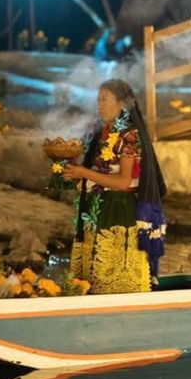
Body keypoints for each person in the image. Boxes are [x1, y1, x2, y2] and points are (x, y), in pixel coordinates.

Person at [63, 79, 167, 293]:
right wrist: (74, 174)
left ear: (122, 103)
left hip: (119, 210)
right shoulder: (101, 134)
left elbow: (124, 181)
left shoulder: (129, 136)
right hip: (96, 209)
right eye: (98, 99)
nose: (99, 104)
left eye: (104, 99)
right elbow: (97, 172)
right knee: (89, 277)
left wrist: (83, 172)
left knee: (114, 281)